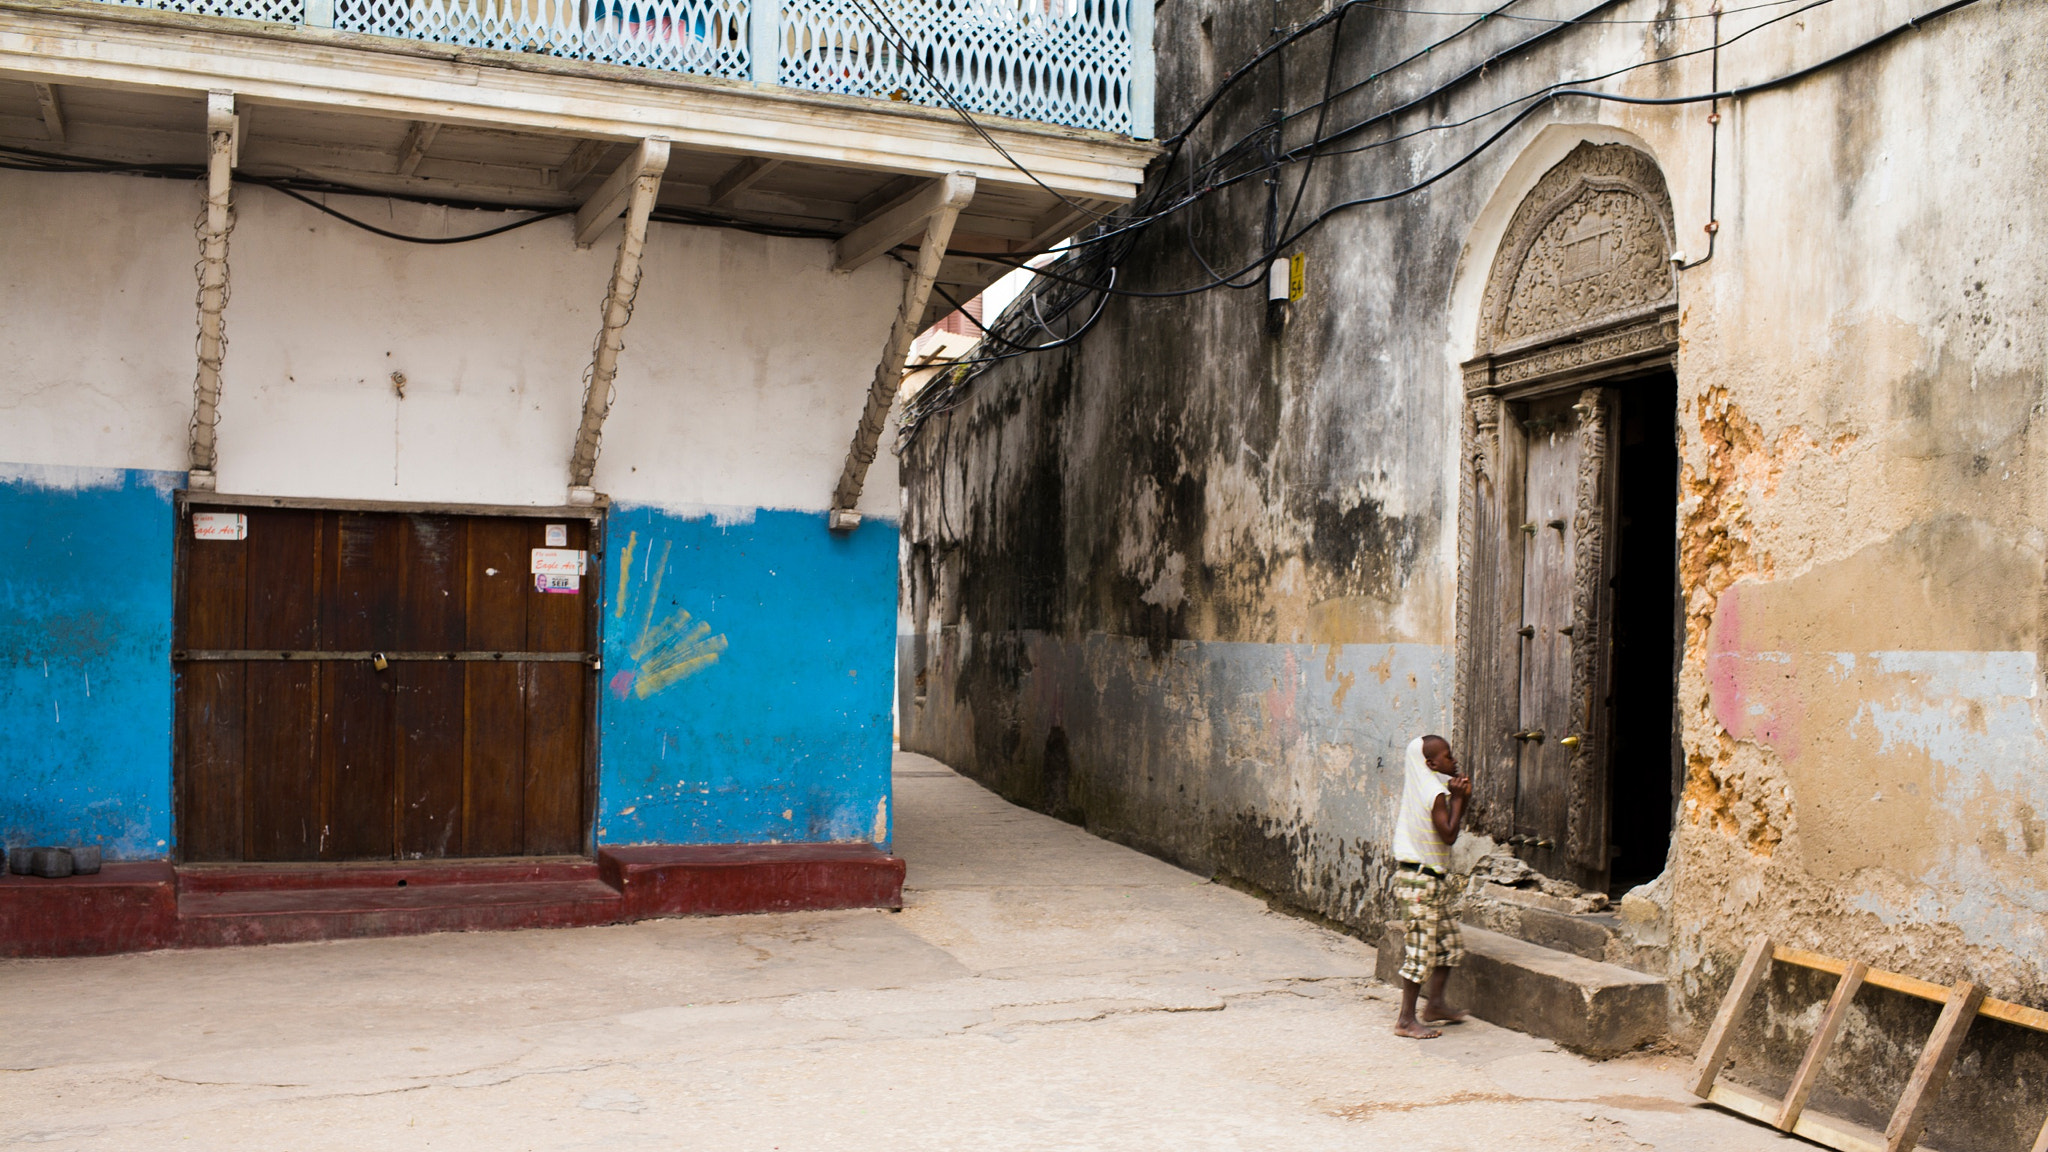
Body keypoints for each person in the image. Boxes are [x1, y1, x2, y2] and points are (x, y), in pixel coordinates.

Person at [1392, 733, 1471, 1039]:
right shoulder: (1433, 791)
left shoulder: (1418, 784)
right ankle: (1405, 1020)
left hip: (1427, 880)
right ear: (1431, 763)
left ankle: (1435, 1004)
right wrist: (1460, 799)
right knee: (1420, 953)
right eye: (1448, 757)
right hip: (1420, 883)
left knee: (1448, 946)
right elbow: (1449, 834)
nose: (1453, 761)